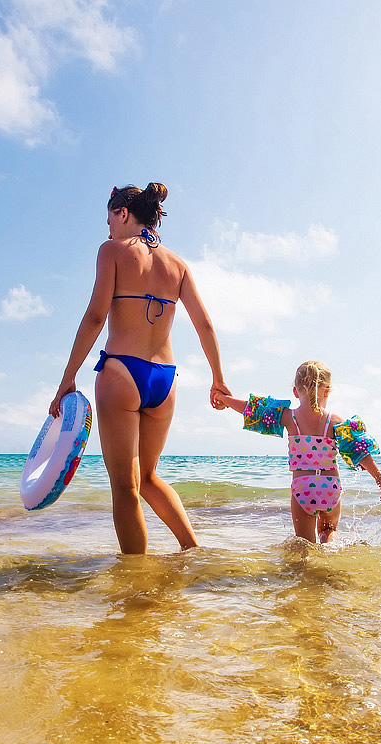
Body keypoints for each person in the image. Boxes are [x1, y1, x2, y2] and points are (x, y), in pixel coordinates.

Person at [50, 183, 230, 554]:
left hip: (121, 372)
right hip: (164, 380)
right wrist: (218, 379)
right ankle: (194, 553)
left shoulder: (111, 251)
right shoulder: (178, 265)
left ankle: (136, 579)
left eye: (110, 221)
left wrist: (67, 379)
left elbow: (96, 316)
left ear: (123, 213)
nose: (108, 231)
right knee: (148, 477)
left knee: (126, 488)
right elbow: (205, 325)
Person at [213, 360, 381, 544]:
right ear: (327, 391)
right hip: (330, 487)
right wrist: (379, 479)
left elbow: (252, 410)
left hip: (303, 487)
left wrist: (224, 399)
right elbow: (359, 451)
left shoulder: (289, 417)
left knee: (304, 543)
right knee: (329, 531)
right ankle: (331, 554)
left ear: (295, 391)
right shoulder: (335, 421)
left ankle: (306, 562)